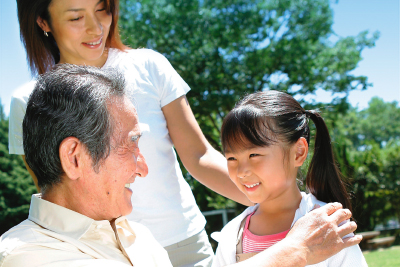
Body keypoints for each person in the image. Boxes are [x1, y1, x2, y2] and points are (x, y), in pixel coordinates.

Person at [0, 64, 362, 267]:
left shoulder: (140, 238)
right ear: (75, 158)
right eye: (130, 145)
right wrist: (294, 250)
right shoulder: (25, 257)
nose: (144, 169)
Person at [9, 0, 252, 265]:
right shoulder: (29, 102)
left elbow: (199, 155)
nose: (95, 28)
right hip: (101, 254)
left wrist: (277, 198)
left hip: (183, 242)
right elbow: (55, 197)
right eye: (76, 18)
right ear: (43, 22)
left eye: (102, 9)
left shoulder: (149, 66)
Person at [212, 91, 367, 266]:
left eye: (254, 154)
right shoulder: (231, 235)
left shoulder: (327, 224)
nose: (241, 171)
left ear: (298, 152)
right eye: (231, 158)